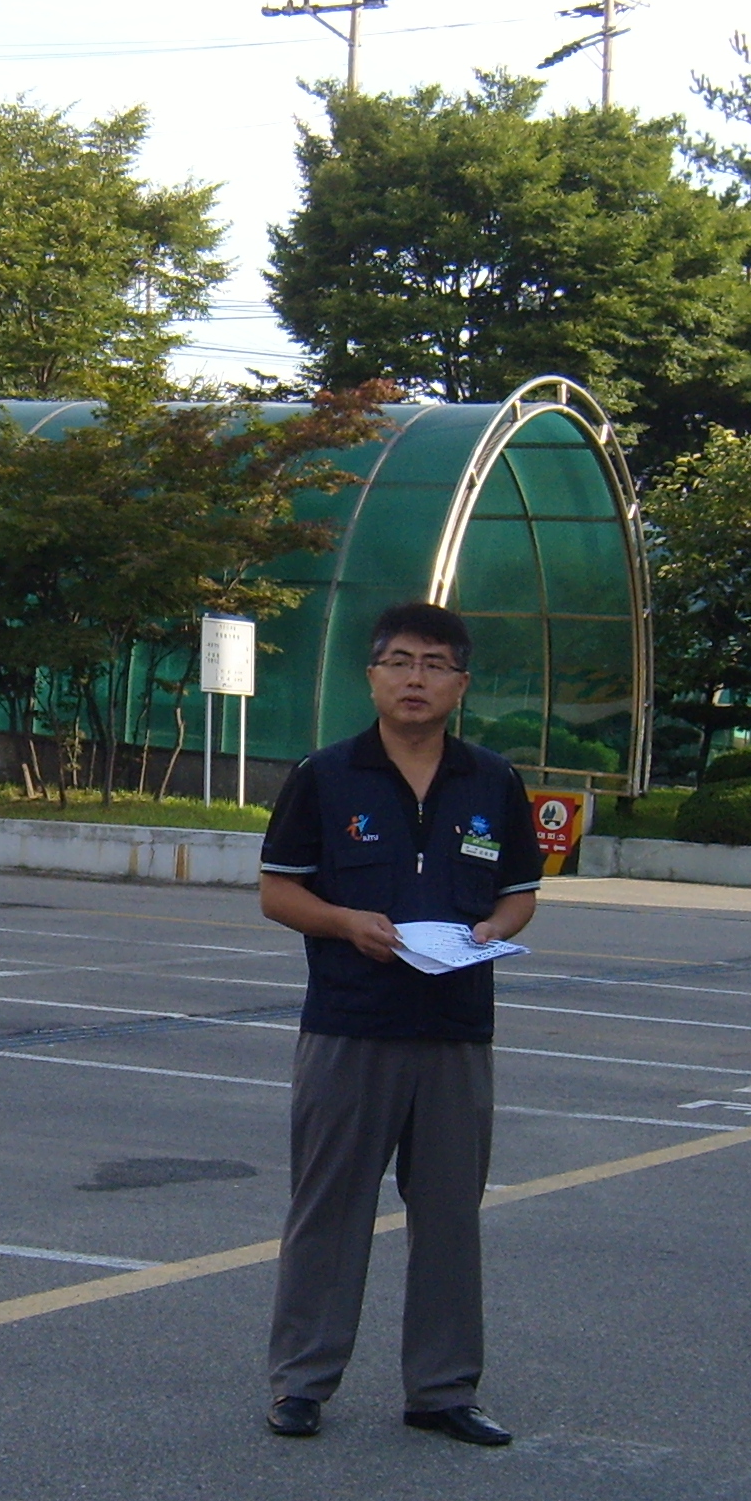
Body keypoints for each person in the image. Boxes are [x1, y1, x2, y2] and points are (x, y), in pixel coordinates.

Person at [254, 600, 546, 1446]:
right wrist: (346, 922)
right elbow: (278, 892)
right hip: (351, 1024)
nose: (416, 678)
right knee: (330, 1209)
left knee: (450, 1214)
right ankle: (301, 1383)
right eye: (400, 662)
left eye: (435, 665)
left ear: (461, 684)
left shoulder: (493, 781)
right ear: (373, 675)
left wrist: (494, 930)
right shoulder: (326, 775)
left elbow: (520, 893)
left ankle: (443, 1390)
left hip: (456, 1028)